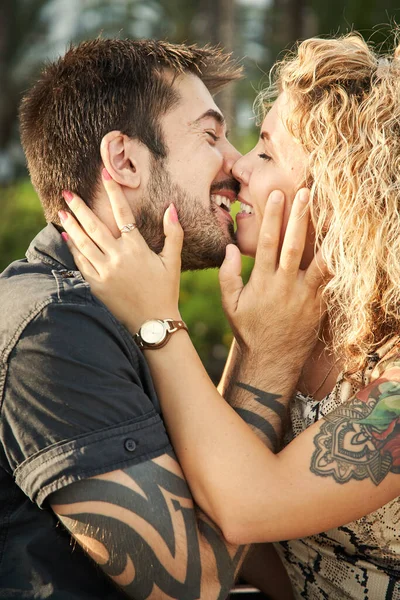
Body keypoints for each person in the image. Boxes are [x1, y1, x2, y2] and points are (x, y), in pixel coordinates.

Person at [62, 33, 400, 599]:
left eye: (267, 153)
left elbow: (243, 506)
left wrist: (158, 322)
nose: (238, 166)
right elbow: (214, 485)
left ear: (342, 193)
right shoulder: (292, 316)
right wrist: (255, 346)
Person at [0, 37, 318, 599]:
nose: (235, 163)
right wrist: (265, 356)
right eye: (210, 135)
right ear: (124, 160)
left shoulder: (120, 309)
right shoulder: (52, 330)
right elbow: (196, 583)